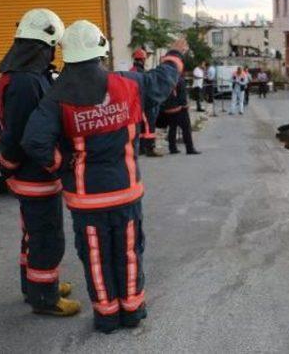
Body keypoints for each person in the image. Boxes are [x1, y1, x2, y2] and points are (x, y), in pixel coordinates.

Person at [21, 20, 187, 334]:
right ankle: (132, 310)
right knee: (128, 252)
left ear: (67, 54)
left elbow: (34, 141)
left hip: (86, 200)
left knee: (96, 256)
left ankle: (106, 316)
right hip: (125, 193)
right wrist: (175, 54)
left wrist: (64, 166)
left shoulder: (57, 98)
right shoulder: (127, 84)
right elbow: (162, 81)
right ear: (101, 51)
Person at [0, 8, 80, 317]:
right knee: (46, 236)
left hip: (31, 174)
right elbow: (18, 133)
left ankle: (35, 284)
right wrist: (10, 164)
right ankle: (45, 296)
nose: (53, 55)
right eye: (52, 48)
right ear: (41, 46)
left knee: (33, 233)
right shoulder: (26, 82)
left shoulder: (27, 77)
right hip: (35, 176)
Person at [131, 49, 161, 157]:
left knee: (142, 127)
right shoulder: (140, 72)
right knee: (149, 127)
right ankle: (150, 149)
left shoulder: (132, 70)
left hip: (137, 103)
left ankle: (142, 148)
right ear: (143, 59)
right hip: (144, 103)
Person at [159, 76, 201, 155]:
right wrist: (185, 105)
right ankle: (189, 148)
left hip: (169, 108)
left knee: (172, 128)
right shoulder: (179, 79)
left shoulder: (165, 78)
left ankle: (172, 148)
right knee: (186, 129)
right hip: (179, 109)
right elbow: (182, 96)